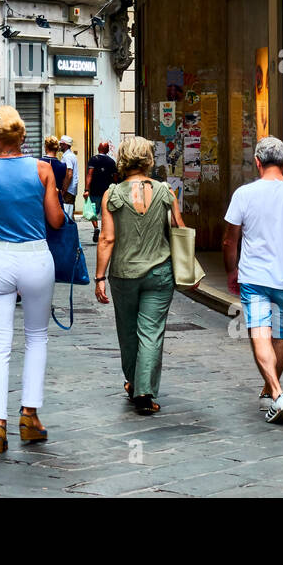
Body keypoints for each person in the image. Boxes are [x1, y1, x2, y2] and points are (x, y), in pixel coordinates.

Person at [0, 106, 66, 453]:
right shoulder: (43, 170)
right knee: (36, 338)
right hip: (35, 256)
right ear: (23, 136)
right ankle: (29, 416)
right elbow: (57, 220)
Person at [222, 135, 283, 424]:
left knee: (259, 332)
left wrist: (232, 271)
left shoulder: (244, 194)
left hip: (255, 277)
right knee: (279, 335)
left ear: (257, 162)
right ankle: (271, 386)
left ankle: (277, 393)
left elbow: (230, 240)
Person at [93, 137, 184, 415]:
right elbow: (179, 228)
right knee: (151, 332)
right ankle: (144, 391)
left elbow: (107, 239)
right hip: (160, 272)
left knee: (128, 330)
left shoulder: (112, 193)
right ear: (147, 159)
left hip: (124, 274)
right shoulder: (165, 191)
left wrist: (99, 277)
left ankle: (134, 383)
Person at [84, 140, 118, 243]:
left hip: (94, 190)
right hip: (107, 191)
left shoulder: (94, 159)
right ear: (108, 150)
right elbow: (115, 177)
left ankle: (96, 228)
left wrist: (86, 189)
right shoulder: (111, 162)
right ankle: (104, 231)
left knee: (93, 211)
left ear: (98, 149)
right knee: (105, 212)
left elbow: (89, 174)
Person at [41, 136, 67, 206]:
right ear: (57, 148)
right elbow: (63, 186)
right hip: (57, 200)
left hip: (42, 199)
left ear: (46, 147)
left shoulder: (38, 163)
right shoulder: (63, 166)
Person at [59, 135, 79, 217]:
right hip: (71, 189)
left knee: (67, 214)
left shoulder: (68, 157)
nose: (60, 146)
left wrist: (64, 190)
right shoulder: (71, 155)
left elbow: (69, 174)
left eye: (62, 144)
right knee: (70, 213)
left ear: (66, 145)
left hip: (68, 190)